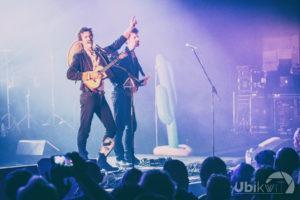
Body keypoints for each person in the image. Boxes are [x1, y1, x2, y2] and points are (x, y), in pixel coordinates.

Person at [67, 17, 137, 171]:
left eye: (90, 36)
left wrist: (129, 29)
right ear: (81, 40)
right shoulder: (79, 56)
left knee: (112, 128)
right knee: (85, 128)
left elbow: (115, 45)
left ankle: (102, 158)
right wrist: (88, 75)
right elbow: (70, 74)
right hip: (88, 95)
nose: (89, 39)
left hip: (100, 95)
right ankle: (82, 157)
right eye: (86, 37)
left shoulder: (100, 52)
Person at [110, 27, 149, 166]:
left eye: (138, 37)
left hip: (128, 96)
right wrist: (128, 85)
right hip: (120, 94)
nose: (137, 39)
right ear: (127, 40)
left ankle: (129, 155)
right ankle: (120, 156)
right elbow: (114, 76)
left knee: (132, 125)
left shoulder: (133, 56)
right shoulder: (122, 55)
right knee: (119, 126)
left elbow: (132, 77)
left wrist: (141, 83)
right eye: (134, 37)